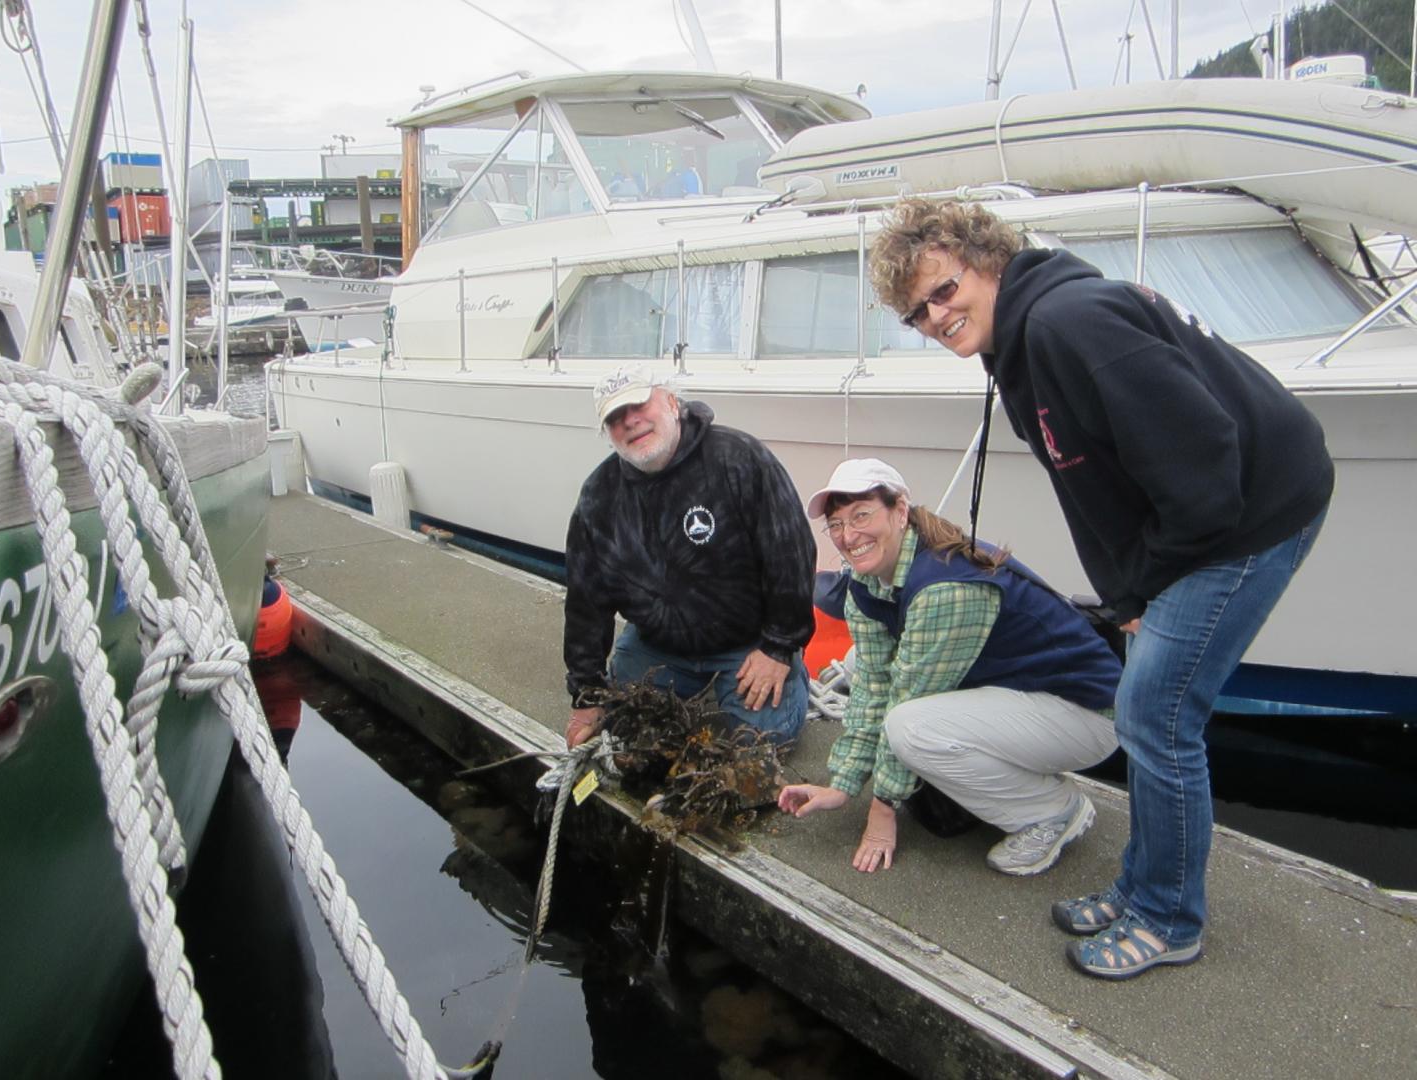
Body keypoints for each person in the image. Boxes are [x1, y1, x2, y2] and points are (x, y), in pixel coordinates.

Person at [868, 198, 1332, 980]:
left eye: (943, 291)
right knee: (1146, 708)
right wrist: (1128, 600)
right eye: (916, 313)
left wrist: (1146, 588)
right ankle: (1142, 886)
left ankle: (1168, 918)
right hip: (1204, 519)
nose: (935, 317)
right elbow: (1098, 490)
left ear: (985, 259)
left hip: (1252, 515)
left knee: (1158, 716)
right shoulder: (1016, 348)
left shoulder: (1067, 323)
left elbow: (1206, 476)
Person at [777, 459, 1120, 877]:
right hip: (1021, 701)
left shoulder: (943, 587)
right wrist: (842, 785)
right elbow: (871, 687)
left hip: (1088, 713)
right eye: (836, 524)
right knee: (905, 721)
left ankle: (1051, 811)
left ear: (900, 510)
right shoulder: (868, 585)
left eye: (862, 515)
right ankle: (1036, 794)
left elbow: (907, 697)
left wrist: (883, 810)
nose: (848, 536)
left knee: (911, 727)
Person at [563, 362, 816, 751]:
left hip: (747, 644)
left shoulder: (738, 459)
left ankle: (790, 673)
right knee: (628, 731)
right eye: (616, 417)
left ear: (670, 401)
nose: (630, 421)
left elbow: (791, 554)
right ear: (607, 432)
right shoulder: (599, 496)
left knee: (766, 738)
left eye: (638, 406)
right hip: (656, 646)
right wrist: (587, 694)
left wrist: (779, 647)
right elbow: (586, 602)